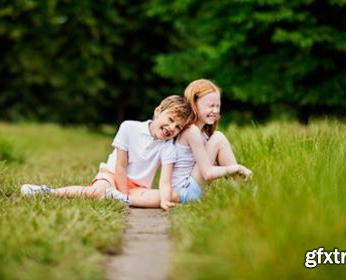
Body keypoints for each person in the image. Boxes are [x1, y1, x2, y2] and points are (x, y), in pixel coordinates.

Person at [21, 95, 193, 210]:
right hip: (112, 175)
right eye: (170, 120)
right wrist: (122, 193)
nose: (171, 128)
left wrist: (163, 201)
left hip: (138, 188)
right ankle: (48, 191)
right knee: (98, 190)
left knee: (173, 194)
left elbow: (164, 182)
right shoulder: (129, 127)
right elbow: (121, 165)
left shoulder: (168, 147)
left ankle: (118, 197)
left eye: (178, 127)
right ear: (158, 112)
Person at [120, 78, 253, 208]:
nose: (216, 111)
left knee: (217, 137)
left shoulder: (202, 133)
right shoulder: (191, 131)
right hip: (186, 190)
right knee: (219, 138)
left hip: (190, 187)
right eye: (210, 106)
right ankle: (243, 189)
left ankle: (242, 190)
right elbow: (207, 173)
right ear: (194, 104)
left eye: (218, 106)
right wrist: (236, 168)